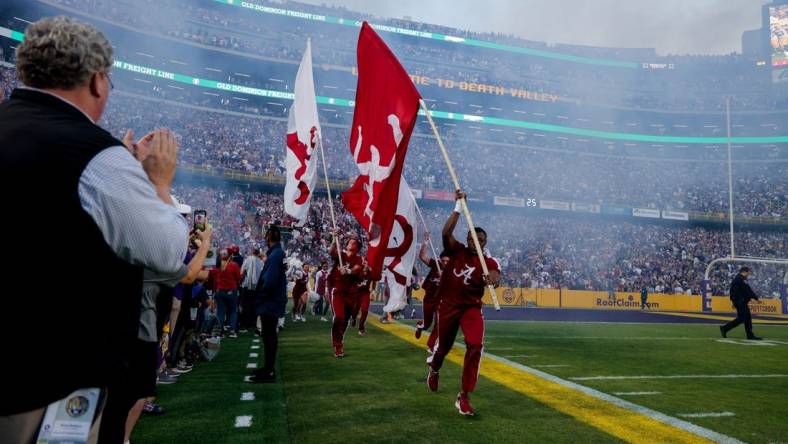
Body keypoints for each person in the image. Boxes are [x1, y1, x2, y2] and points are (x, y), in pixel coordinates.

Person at [0, 17, 189, 444]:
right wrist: (157, 184)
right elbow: (166, 248)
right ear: (97, 81)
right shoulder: (92, 153)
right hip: (49, 384)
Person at [427, 190, 501, 416]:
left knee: (475, 345)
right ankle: (435, 368)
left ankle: (464, 396)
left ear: (484, 243)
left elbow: (496, 276)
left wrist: (492, 280)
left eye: (481, 240)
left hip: (471, 308)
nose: (476, 242)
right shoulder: (456, 250)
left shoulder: (488, 260)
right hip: (449, 306)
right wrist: (458, 207)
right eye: (473, 238)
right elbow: (446, 231)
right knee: (443, 348)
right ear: (467, 238)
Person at [249, 226, 287, 383]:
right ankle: (268, 368)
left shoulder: (275, 255)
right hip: (273, 301)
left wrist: (260, 297)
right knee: (269, 336)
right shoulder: (277, 253)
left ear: (269, 237)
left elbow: (269, 282)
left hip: (269, 302)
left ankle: (269, 371)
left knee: (269, 336)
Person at [329, 231, 363, 358]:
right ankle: (337, 345)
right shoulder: (340, 254)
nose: (351, 242)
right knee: (338, 317)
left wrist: (348, 271)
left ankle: (340, 339)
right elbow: (331, 253)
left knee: (345, 320)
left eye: (354, 242)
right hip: (338, 291)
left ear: (357, 247)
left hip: (351, 294)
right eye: (350, 241)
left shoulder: (359, 259)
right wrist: (334, 238)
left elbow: (357, 269)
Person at [415, 232, 450, 354]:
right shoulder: (436, 264)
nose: (445, 263)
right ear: (440, 260)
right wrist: (425, 242)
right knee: (426, 324)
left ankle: (431, 345)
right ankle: (420, 326)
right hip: (429, 298)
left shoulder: (452, 271)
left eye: (448, 261)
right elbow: (422, 256)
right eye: (444, 261)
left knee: (440, 323)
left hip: (440, 300)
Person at [720, 267, 763, 340]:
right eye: (748, 272)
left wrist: (734, 301)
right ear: (744, 272)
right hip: (740, 302)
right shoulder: (740, 279)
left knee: (747, 318)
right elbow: (747, 290)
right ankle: (725, 328)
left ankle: (750, 335)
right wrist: (756, 298)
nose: (749, 274)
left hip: (741, 302)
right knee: (742, 318)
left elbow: (744, 290)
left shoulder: (740, 279)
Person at [214, 249, 242, 338]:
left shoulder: (217, 266)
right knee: (233, 311)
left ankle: (220, 332)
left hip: (219, 291)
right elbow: (238, 277)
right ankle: (232, 331)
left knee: (220, 312)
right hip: (231, 290)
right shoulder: (233, 265)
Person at [240, 245, 264, 331]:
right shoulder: (261, 262)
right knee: (254, 304)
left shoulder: (247, 260)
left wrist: (239, 282)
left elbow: (242, 273)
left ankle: (246, 322)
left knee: (245, 304)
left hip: (246, 285)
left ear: (252, 251)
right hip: (256, 286)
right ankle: (253, 322)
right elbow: (262, 276)